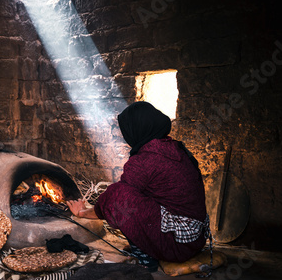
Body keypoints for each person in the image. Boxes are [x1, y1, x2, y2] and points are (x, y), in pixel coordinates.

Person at [67, 101, 209, 263]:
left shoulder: (147, 158)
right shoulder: (174, 148)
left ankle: (145, 256)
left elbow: (116, 200)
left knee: (118, 195)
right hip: (196, 239)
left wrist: (83, 212)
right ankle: (147, 246)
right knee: (133, 196)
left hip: (177, 246)